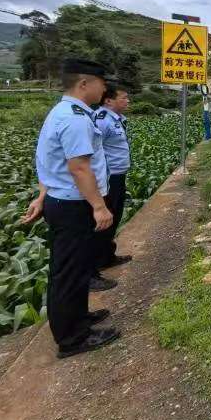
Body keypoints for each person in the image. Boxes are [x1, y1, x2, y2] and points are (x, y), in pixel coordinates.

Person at [23, 59, 121, 358]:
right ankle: (72, 338)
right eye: (101, 83)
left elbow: (49, 160)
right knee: (68, 272)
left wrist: (42, 197)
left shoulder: (63, 112)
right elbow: (78, 168)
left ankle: (79, 318)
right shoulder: (75, 118)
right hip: (73, 204)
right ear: (84, 84)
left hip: (62, 199)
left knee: (76, 269)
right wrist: (99, 207)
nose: (104, 88)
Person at [94, 84, 133, 276]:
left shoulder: (115, 120)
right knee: (105, 220)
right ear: (108, 100)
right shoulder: (101, 121)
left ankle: (108, 256)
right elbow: (94, 152)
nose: (127, 101)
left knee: (114, 217)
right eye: (124, 97)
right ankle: (98, 263)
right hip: (108, 178)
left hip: (117, 176)